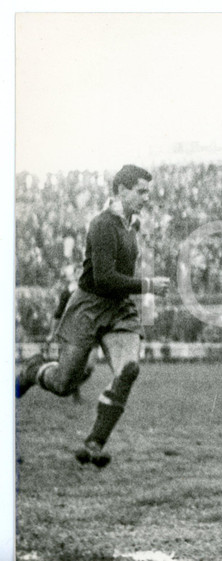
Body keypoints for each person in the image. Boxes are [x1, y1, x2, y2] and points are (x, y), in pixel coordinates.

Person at [16, 164, 170, 468]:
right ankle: (33, 371)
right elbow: (103, 279)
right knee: (64, 383)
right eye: (141, 191)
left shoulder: (131, 224)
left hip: (120, 309)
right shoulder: (102, 224)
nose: (146, 197)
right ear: (121, 189)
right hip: (88, 306)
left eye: (148, 192)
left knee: (128, 370)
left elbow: (120, 277)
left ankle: (95, 443)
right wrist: (148, 285)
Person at [45, 266, 96, 403]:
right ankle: (75, 393)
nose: (81, 275)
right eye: (78, 272)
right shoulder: (67, 293)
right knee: (73, 368)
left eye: (83, 272)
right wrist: (51, 334)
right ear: (74, 275)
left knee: (90, 366)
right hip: (72, 334)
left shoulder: (94, 289)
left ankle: (73, 388)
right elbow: (57, 314)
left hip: (90, 332)